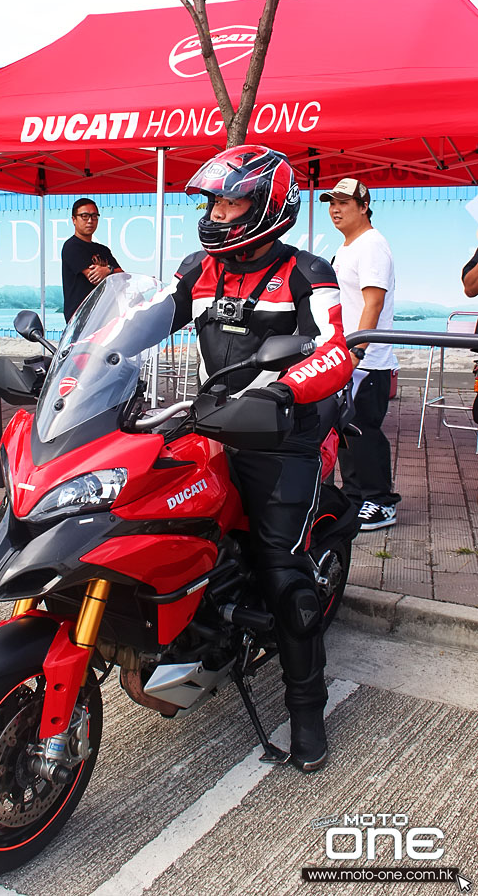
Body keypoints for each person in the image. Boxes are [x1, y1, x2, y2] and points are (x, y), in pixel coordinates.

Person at [171, 145, 354, 773]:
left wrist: (282, 390)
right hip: (212, 423)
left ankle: (307, 713)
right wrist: (76, 362)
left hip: (284, 434)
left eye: (231, 201)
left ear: (269, 205)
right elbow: (140, 322)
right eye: (215, 202)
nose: (219, 213)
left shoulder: (308, 272)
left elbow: (336, 351)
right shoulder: (198, 269)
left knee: (284, 572)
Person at [321, 177, 401, 531]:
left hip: (367, 360)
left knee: (363, 430)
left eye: (344, 203)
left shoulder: (371, 245)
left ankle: (381, 502)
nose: (335, 210)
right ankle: (356, 498)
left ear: (364, 206)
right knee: (345, 430)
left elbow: (374, 301)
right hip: (346, 355)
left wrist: (358, 350)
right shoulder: (348, 247)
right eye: (331, 203)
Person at [61, 198, 122, 322]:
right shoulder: (72, 246)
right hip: (81, 319)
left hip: (106, 315)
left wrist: (108, 270)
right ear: (74, 220)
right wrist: (110, 272)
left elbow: (121, 276)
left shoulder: (103, 249)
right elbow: (94, 277)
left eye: (94, 216)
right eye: (84, 216)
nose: (90, 221)